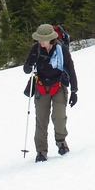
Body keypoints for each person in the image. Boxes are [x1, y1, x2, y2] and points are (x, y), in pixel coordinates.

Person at [23, 24, 78, 162]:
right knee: (41, 120)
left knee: (59, 117)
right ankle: (41, 150)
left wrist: (74, 91)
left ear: (50, 39)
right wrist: (28, 65)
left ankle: (61, 141)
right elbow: (26, 68)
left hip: (59, 86)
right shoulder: (36, 49)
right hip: (41, 87)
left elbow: (70, 68)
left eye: (42, 39)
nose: (39, 41)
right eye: (38, 39)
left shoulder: (61, 49)